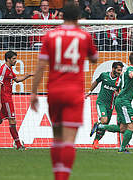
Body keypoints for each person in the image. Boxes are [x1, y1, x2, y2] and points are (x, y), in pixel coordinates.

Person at [30, 2, 98, 179]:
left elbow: (40, 66)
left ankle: (57, 176)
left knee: (57, 138)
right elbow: (94, 58)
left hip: (54, 92)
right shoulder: (83, 36)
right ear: (77, 18)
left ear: (61, 16)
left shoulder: (50, 35)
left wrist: (33, 92)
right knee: (68, 141)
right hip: (74, 93)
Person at [90, 51, 133, 153]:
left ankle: (100, 126)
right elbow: (129, 73)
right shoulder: (131, 70)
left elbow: (122, 81)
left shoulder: (125, 71)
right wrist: (131, 74)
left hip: (119, 101)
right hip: (124, 102)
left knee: (123, 128)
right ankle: (122, 148)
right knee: (132, 125)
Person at [0, 51, 33, 150]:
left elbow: (17, 80)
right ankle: (19, 145)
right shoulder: (3, 69)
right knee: (12, 120)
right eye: (14, 59)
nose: (16, 61)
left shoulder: (9, 69)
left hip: (6, 98)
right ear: (8, 59)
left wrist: (28, 75)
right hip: (5, 99)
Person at [85, 61, 124, 149]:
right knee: (104, 120)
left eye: (121, 70)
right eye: (118, 70)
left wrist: (118, 95)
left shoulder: (120, 81)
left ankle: (96, 141)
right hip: (101, 102)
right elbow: (96, 82)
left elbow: (118, 92)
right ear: (113, 69)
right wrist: (89, 92)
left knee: (105, 125)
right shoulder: (104, 75)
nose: (119, 72)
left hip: (110, 106)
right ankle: (98, 125)